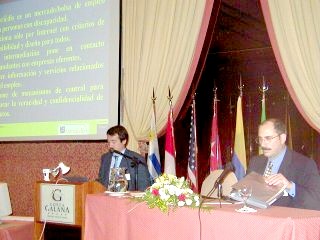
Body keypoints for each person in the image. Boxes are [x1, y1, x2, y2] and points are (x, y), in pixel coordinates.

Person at [248, 118, 320, 210]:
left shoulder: (304, 164)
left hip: (286, 221)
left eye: (268, 138)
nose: (263, 144)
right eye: (260, 139)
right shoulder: (255, 162)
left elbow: (316, 202)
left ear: (282, 138)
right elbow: (245, 193)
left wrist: (290, 186)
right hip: (256, 218)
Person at [98, 125, 151, 191]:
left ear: (124, 141)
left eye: (113, 142)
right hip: (105, 198)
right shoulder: (105, 158)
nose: (110, 145)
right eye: (109, 142)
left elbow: (144, 186)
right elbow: (101, 180)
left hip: (127, 199)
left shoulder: (136, 159)